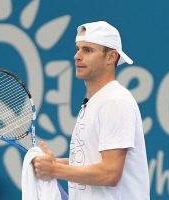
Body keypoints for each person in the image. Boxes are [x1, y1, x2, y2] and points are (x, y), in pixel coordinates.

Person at [32, 21, 150, 200]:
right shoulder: (96, 101)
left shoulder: (115, 101)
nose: (77, 56)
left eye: (87, 50)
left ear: (111, 57)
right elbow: (92, 163)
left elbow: (110, 173)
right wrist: (55, 163)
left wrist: (55, 170)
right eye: (78, 49)